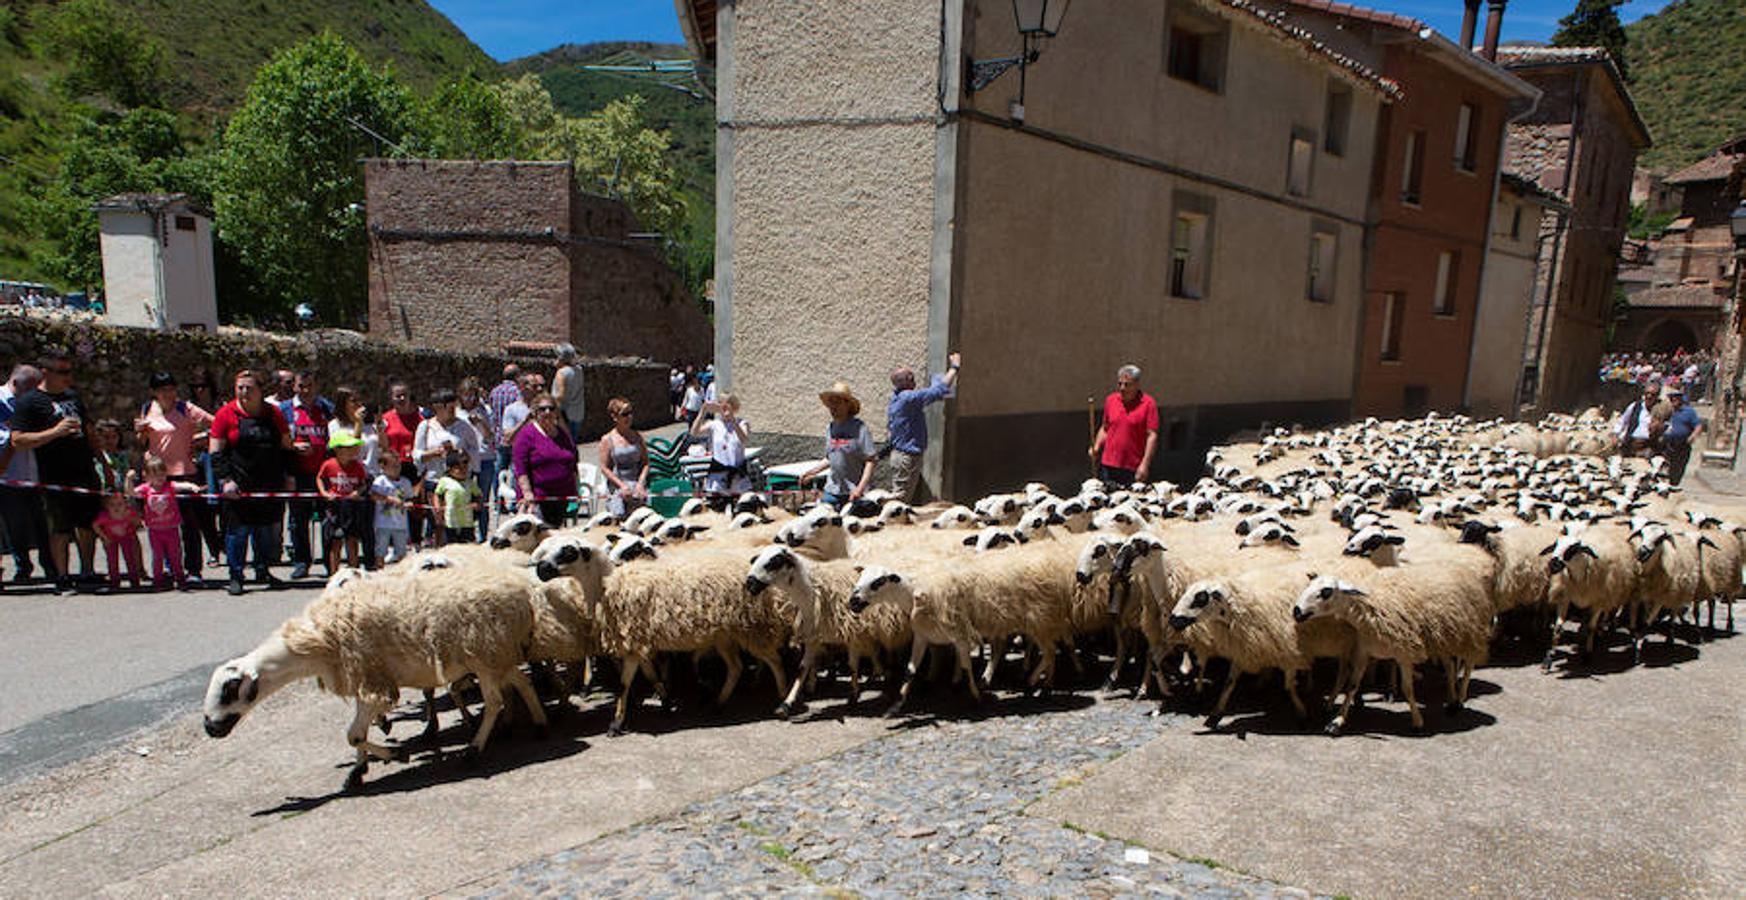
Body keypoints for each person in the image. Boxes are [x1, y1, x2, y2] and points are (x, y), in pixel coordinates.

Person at [11, 350, 99, 595]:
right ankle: (61, 575)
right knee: (59, 528)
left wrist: (103, 463)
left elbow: (90, 431)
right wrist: (55, 432)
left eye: (70, 371)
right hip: (54, 476)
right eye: (63, 372)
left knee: (87, 524)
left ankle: (87, 571)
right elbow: (18, 440)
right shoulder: (30, 402)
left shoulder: (73, 397)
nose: (68, 377)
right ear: (45, 372)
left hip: (84, 470)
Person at [209, 369, 292, 596]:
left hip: (268, 483)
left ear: (260, 390)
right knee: (237, 532)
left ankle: (263, 569)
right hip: (238, 484)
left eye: (249, 388)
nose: (244, 392)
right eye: (240, 388)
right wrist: (226, 480)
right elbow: (215, 453)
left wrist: (288, 476)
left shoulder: (274, 413)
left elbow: (286, 447)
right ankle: (236, 575)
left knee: (265, 531)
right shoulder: (225, 414)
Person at [136, 371, 217, 586]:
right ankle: (169, 568)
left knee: (190, 524)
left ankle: (193, 569)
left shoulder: (186, 408)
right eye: (163, 390)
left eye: (171, 389)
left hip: (185, 471)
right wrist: (140, 432)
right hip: (157, 475)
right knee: (161, 524)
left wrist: (200, 440)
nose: (168, 394)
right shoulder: (147, 409)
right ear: (154, 392)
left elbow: (215, 422)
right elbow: (143, 440)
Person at [278, 371, 333, 579]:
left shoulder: (327, 409)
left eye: (310, 385)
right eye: (302, 386)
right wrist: (294, 447)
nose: (306, 390)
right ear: (294, 387)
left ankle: (330, 561)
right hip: (297, 473)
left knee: (328, 520)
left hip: (323, 473)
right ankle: (302, 561)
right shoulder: (284, 410)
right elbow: (278, 443)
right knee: (297, 521)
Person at [886, 352, 962, 503]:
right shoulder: (909, 398)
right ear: (908, 381)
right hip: (906, 457)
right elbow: (939, 390)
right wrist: (954, 367)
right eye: (912, 377)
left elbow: (933, 393)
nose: (915, 380)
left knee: (901, 496)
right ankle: (888, 523)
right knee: (900, 500)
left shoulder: (898, 398)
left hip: (901, 455)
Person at [413, 388, 482, 546]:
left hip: (459, 481)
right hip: (435, 480)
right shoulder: (425, 427)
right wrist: (434, 453)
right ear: (438, 407)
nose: (452, 411)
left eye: (454, 407)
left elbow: (475, 451)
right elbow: (416, 454)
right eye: (448, 407)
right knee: (439, 522)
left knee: (462, 522)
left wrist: (460, 454)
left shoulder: (464, 427)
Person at [0, 364, 49, 585]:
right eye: (32, 388)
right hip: (8, 474)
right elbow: (7, 440)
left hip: (34, 472)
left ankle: (50, 565)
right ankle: (23, 568)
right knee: (15, 523)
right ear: (17, 383)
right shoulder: (1, 402)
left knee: (41, 522)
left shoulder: (30, 403)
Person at [800, 383, 876, 508]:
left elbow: (870, 460)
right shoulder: (830, 428)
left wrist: (860, 488)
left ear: (847, 405)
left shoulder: (859, 428)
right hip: (833, 490)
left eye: (837, 403)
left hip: (855, 491)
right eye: (831, 404)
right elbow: (831, 457)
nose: (833, 407)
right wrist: (812, 472)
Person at [512, 392, 579, 526]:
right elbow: (520, 468)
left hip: (561, 496)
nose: (547, 412)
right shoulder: (526, 435)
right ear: (535, 412)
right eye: (542, 409)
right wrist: (527, 493)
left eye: (551, 408)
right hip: (536, 498)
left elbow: (573, 459)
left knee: (555, 533)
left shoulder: (562, 433)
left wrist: (576, 488)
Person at [1089, 364, 1159, 488]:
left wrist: (1145, 464)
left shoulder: (1148, 404)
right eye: (1120, 383)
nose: (1122, 388)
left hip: (1133, 466)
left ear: (1137, 385)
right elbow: (1105, 428)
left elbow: (1151, 436)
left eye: (1127, 384)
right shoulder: (1111, 400)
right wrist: (1096, 446)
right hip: (1109, 464)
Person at [380, 382, 427, 546]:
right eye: (397, 395)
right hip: (393, 468)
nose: (401, 398)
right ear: (391, 398)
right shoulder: (386, 419)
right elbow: (383, 445)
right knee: (394, 506)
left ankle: (415, 541)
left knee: (415, 506)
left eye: (404, 395)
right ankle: (394, 544)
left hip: (413, 467)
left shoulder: (420, 419)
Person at [318, 432, 371, 571]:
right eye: (348, 447)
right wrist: (324, 493)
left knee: (352, 539)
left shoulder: (357, 466)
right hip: (334, 505)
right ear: (337, 449)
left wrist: (357, 492)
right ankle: (333, 572)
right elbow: (319, 478)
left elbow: (363, 483)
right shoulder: (328, 464)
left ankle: (354, 570)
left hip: (351, 506)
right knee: (335, 541)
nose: (352, 450)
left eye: (353, 447)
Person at [135, 456, 190, 590]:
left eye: (162, 474)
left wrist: (191, 486)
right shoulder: (145, 489)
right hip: (155, 530)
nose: (160, 478)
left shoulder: (169, 486)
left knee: (175, 554)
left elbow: (180, 486)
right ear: (147, 476)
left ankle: (180, 576)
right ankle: (158, 579)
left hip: (171, 528)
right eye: (155, 475)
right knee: (157, 556)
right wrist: (129, 480)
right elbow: (131, 493)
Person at [458, 376, 498, 542]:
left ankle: (483, 534)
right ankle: (467, 533)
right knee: (464, 497)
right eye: (465, 395)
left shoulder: (485, 411)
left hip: (485, 458)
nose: (469, 399)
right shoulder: (457, 413)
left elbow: (491, 437)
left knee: (483, 498)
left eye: (472, 395)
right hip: (465, 460)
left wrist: (481, 423)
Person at [692, 394, 750, 497]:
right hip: (718, 475)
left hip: (737, 476)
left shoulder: (742, 423)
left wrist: (733, 421)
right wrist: (703, 412)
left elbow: (744, 440)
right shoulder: (714, 424)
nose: (724, 408)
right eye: (721, 405)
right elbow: (694, 432)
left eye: (727, 405)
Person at [601, 397, 649, 516]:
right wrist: (622, 486)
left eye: (630, 413)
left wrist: (641, 483)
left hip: (636, 484)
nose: (629, 417)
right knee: (619, 515)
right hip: (618, 485)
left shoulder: (637, 437)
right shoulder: (607, 439)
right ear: (615, 417)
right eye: (624, 414)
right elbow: (604, 468)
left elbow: (645, 463)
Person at [371, 449, 414, 566]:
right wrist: (388, 499)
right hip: (383, 523)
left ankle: (401, 571)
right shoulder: (380, 481)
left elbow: (410, 497)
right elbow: (373, 495)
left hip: (401, 523)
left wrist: (409, 504)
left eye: (398, 466)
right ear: (383, 467)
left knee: (401, 550)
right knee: (381, 550)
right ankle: (380, 570)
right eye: (393, 466)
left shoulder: (405, 482)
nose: (397, 469)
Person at [92, 493, 143, 591]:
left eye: (120, 504)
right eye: (112, 505)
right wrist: (104, 537)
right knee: (112, 560)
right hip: (111, 539)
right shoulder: (105, 516)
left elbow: (138, 523)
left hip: (126, 537)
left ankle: (134, 579)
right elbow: (95, 525)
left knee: (130, 558)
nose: (116, 508)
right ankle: (114, 580)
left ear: (125, 504)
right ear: (106, 506)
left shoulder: (129, 513)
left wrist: (133, 521)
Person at [433, 452, 482, 545]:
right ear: (450, 469)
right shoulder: (445, 481)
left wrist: (477, 504)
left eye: (465, 468)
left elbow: (478, 495)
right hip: (450, 521)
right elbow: (437, 494)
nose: (463, 471)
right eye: (458, 468)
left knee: (467, 544)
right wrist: (437, 506)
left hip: (467, 521)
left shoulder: (470, 482)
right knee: (451, 544)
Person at [1661, 385, 1704, 486]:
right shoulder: (1666, 410)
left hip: (1682, 445)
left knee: (1678, 468)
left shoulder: (1689, 412)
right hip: (1667, 444)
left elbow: (1698, 426)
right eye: (1671, 397)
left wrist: (1693, 436)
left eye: (1676, 397)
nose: (1674, 399)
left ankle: (1674, 485)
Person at [488, 364, 522, 482]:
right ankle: (512, 497)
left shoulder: (494, 391)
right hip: (514, 437)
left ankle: (497, 497)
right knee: (514, 470)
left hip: (499, 436)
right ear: (517, 376)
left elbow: (491, 415)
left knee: (498, 470)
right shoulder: (517, 392)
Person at [552, 343, 588, 443]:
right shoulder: (579, 370)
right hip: (578, 413)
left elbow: (560, 395)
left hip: (565, 415)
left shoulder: (561, 373)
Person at [1614, 382, 1660, 457]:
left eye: (1653, 394)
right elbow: (1622, 421)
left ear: (1657, 396)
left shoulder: (1661, 409)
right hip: (1630, 444)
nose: (1649, 396)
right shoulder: (1635, 406)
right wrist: (1616, 434)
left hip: (1648, 448)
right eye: (1647, 393)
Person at [91, 419, 133, 496]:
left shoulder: (123, 456)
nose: (110, 441)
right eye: (106, 437)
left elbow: (126, 473)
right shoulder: (96, 457)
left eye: (114, 437)